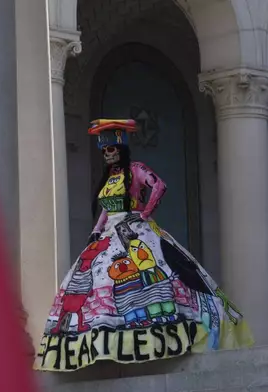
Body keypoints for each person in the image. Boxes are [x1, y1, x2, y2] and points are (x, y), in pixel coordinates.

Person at [34, 119, 254, 372]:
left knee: (151, 274)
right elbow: (106, 210)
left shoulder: (136, 169)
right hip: (108, 236)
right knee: (94, 282)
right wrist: (96, 231)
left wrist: (146, 212)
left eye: (111, 149)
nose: (107, 154)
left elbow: (159, 185)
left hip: (135, 231)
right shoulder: (111, 178)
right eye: (104, 150)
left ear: (121, 148)